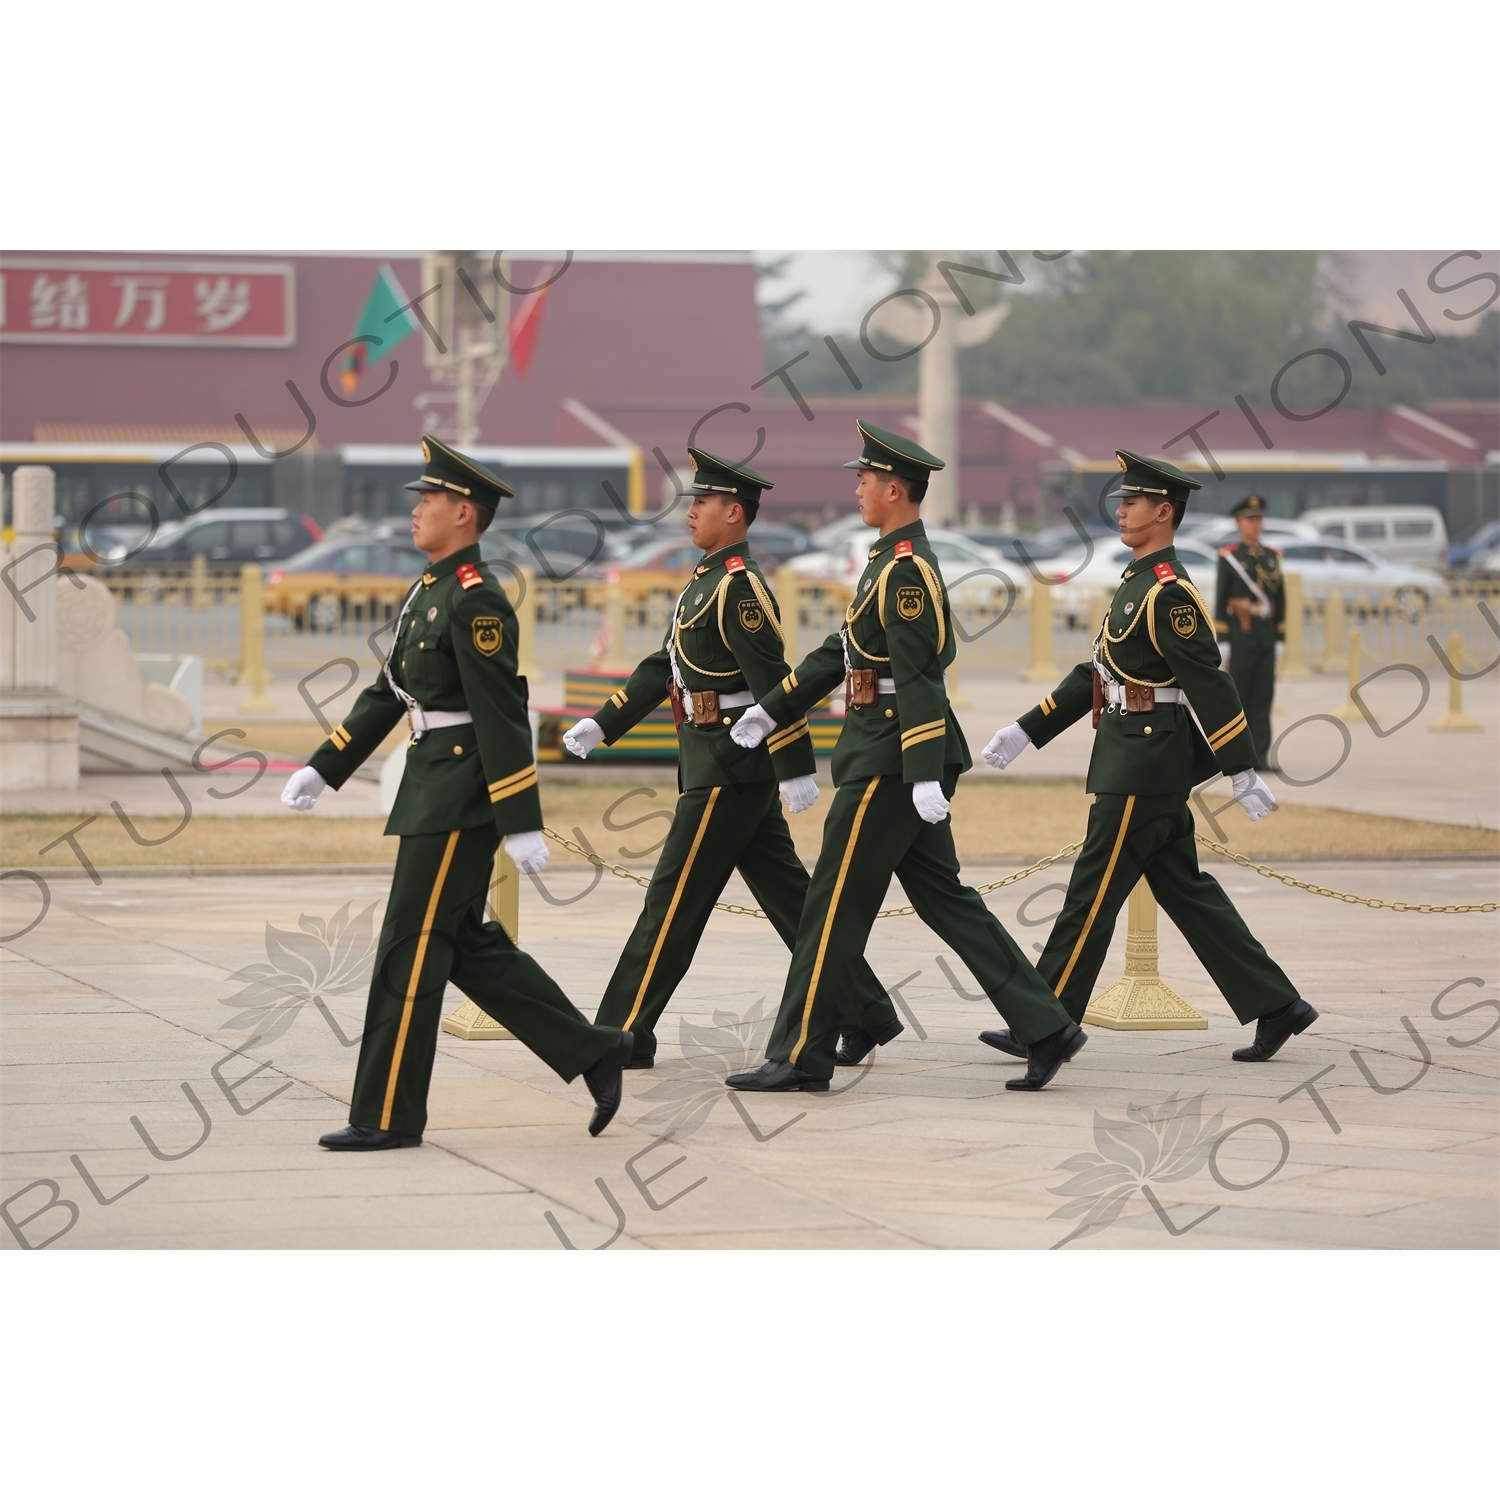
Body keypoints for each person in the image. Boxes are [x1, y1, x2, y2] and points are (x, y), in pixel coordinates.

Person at [280, 436, 632, 1150]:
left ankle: (386, 1116)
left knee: (407, 951)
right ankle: (595, 1050)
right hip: (432, 784)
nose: (416, 511)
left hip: (460, 792)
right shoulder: (430, 591)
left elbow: (501, 713)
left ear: (464, 513)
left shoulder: (478, 600)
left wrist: (521, 820)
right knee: (465, 946)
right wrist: (326, 765)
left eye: (429, 500)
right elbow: (391, 694)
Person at [725, 421, 1084, 1094]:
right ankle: (1048, 1026)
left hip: (891, 758)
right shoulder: (887, 564)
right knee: (945, 899)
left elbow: (918, 677)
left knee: (829, 905)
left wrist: (920, 774)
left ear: (894, 489)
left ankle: (802, 1053)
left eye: (864, 480)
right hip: (889, 752)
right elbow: (843, 653)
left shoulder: (907, 571)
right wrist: (775, 707)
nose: (856, 489)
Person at [563, 448, 903, 1068]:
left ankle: (621, 1030)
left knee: (672, 901)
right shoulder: (704, 582)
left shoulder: (741, 589)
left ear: (735, 513)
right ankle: (867, 1010)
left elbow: (775, 681)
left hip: (729, 766)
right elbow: (663, 667)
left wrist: (795, 766)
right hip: (713, 763)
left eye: (702, 504)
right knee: (793, 901)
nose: (690, 513)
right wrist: (602, 720)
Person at [979, 450, 1318, 1064]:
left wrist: (1241, 766)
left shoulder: (1169, 593)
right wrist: (1028, 729)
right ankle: (1278, 1004)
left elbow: (1209, 680)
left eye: (1133, 502)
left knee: (1091, 890)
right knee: (1188, 892)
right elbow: (1099, 671)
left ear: (1164, 512)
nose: (1122, 510)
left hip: (1143, 763)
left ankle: (1044, 1019)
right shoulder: (1137, 583)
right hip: (1138, 759)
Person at [1214, 493, 1284, 771]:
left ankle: (1260, 755)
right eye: (1250, 520)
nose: (1256, 524)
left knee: (1263, 697)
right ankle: (1236, 757)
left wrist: (1280, 637)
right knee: (1239, 697)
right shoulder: (1230, 558)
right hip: (1240, 636)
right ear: (1239, 523)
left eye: (1258, 519)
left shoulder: (1273, 557)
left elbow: (1281, 600)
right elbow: (1221, 599)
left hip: (1265, 635)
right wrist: (1223, 639)